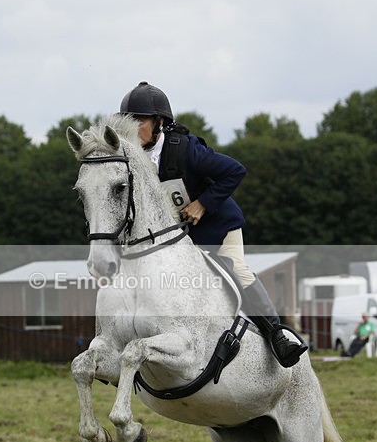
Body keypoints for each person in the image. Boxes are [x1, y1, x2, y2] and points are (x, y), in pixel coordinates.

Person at [119, 81, 308, 368]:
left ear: (159, 122)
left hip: (217, 228)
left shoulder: (185, 149)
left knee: (236, 271)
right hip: (176, 238)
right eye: (127, 121)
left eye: (139, 121)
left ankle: (277, 336)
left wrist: (203, 203)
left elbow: (235, 170)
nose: (131, 128)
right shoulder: (130, 159)